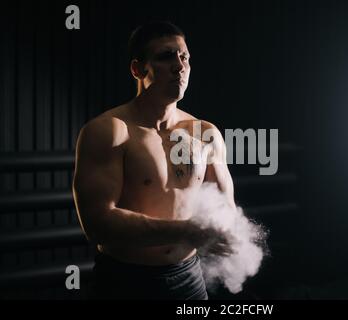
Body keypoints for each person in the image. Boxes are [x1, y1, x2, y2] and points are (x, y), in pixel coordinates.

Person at [72, 21, 236, 300]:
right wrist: (187, 231)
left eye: (184, 57)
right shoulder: (109, 131)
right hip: (125, 281)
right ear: (138, 69)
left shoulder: (205, 133)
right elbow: (97, 224)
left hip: (188, 279)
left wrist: (227, 232)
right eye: (166, 56)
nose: (179, 66)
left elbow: (226, 208)